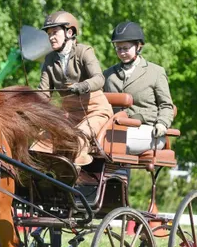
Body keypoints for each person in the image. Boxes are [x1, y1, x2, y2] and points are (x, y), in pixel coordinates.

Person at [32, 10, 113, 166]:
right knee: (41, 142)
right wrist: (28, 102)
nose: (51, 37)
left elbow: (99, 79)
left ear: (69, 32)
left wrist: (82, 86)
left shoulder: (84, 51)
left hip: (95, 111)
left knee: (77, 138)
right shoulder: (50, 59)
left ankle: (74, 179)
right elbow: (43, 93)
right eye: (49, 34)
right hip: (69, 114)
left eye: (55, 32)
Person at [103, 21, 174, 155]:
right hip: (115, 128)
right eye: (118, 48)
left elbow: (166, 105)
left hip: (147, 130)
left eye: (126, 48)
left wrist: (162, 123)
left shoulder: (156, 72)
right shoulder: (108, 75)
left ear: (138, 46)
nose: (122, 52)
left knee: (117, 142)